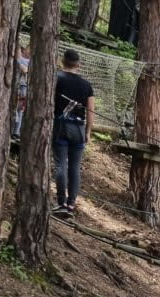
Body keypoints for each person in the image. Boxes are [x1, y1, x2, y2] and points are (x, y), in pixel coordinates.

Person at [53, 49, 94, 216]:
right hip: (79, 128)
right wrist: (88, 131)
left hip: (61, 126)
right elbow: (90, 110)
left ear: (63, 61)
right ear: (78, 64)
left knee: (61, 164)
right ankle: (71, 204)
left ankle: (62, 202)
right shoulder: (86, 85)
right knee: (75, 167)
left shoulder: (57, 78)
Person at [13, 45, 30, 138]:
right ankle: (15, 131)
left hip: (22, 87)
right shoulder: (20, 60)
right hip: (17, 86)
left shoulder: (27, 61)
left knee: (19, 110)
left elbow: (25, 70)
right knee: (17, 110)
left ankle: (16, 132)